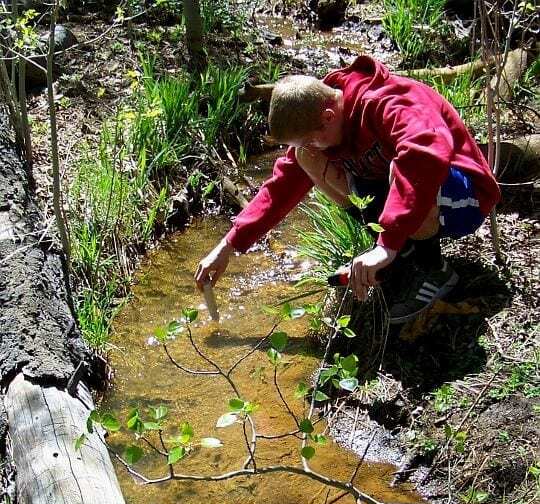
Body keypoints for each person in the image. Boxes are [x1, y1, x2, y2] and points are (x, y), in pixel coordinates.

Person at [195, 55, 500, 323]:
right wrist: (228, 246)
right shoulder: (324, 121)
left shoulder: (389, 102)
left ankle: (436, 271)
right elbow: (281, 188)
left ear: (327, 118)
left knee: (405, 167)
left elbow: (425, 156)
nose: (309, 147)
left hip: (465, 197)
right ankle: (405, 256)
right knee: (305, 160)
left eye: (309, 139)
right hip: (414, 203)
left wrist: (386, 243)